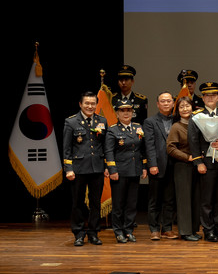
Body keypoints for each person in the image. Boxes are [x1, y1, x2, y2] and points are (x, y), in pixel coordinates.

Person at [189, 82, 218, 242]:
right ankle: (208, 229)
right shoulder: (196, 116)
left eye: (213, 95)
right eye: (207, 95)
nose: (210, 98)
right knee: (207, 198)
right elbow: (193, 141)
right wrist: (198, 162)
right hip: (206, 163)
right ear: (202, 98)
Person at [63, 91, 107, 247]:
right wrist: (68, 168)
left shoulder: (102, 121)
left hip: (97, 168)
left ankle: (93, 233)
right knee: (78, 203)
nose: (90, 106)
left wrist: (107, 166)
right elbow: (67, 148)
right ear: (80, 104)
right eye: (87, 103)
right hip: (78, 168)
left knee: (96, 203)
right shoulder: (71, 122)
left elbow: (105, 146)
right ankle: (79, 233)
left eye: (93, 103)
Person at [105, 102, 148, 243]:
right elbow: (109, 152)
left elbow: (142, 150)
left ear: (132, 112)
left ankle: (128, 230)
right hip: (119, 172)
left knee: (131, 204)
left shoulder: (137, 127)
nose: (126, 113)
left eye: (129, 110)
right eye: (122, 111)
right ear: (117, 113)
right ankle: (118, 231)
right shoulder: (112, 130)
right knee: (118, 204)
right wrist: (112, 170)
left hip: (135, 171)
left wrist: (144, 166)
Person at [143, 91, 177, 240]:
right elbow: (149, 145)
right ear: (157, 104)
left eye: (169, 101)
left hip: (174, 165)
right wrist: (152, 164)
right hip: (157, 165)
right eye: (163, 101)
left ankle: (167, 228)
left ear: (173, 103)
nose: (166, 103)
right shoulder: (150, 121)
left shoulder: (177, 120)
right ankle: (155, 229)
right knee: (155, 200)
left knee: (170, 199)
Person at [166, 96, 201, 241]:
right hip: (182, 167)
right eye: (181, 107)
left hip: (197, 166)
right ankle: (185, 232)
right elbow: (170, 148)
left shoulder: (198, 124)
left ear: (192, 107)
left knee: (195, 198)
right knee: (184, 200)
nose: (185, 109)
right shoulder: (176, 127)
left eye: (187, 106)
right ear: (177, 110)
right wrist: (187, 157)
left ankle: (193, 229)